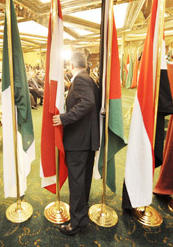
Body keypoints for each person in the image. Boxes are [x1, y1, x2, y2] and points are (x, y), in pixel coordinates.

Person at [52, 51, 99, 235]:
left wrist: (65, 118)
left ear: (72, 65)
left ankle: (76, 222)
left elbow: (87, 102)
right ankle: (81, 216)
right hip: (85, 140)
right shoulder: (88, 78)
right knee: (83, 181)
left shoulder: (80, 80)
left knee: (77, 183)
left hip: (78, 140)